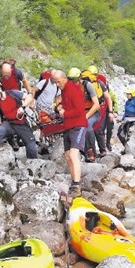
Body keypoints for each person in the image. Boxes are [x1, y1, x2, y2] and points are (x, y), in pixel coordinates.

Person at [0, 79, 37, 165]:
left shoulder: (12, 93)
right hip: (9, 124)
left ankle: (33, 163)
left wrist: (23, 107)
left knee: (31, 144)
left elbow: (29, 97)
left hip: (21, 122)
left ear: (0, 89)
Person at [50, 69, 87, 198]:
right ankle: (74, 182)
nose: (57, 85)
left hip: (78, 125)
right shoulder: (63, 90)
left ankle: (76, 185)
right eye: (54, 83)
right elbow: (67, 107)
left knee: (73, 154)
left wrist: (65, 113)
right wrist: (59, 108)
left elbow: (80, 110)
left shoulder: (74, 90)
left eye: (58, 82)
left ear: (64, 78)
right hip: (68, 126)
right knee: (67, 155)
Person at [69, 67, 100, 162]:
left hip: (93, 113)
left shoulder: (88, 86)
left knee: (87, 124)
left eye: (74, 81)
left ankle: (91, 151)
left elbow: (96, 105)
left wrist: (86, 116)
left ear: (79, 79)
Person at [85, 65, 115, 156]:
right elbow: (108, 98)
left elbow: (109, 98)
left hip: (100, 109)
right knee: (95, 129)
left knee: (98, 129)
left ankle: (102, 150)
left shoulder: (99, 84)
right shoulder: (97, 83)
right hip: (98, 108)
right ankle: (97, 150)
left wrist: (111, 112)